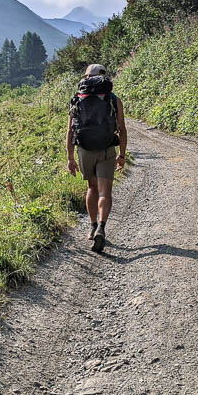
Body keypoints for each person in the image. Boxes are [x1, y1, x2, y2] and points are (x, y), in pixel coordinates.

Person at [67, 63, 127, 253]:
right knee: (104, 191)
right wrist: (122, 155)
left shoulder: (77, 98)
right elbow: (122, 129)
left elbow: (70, 131)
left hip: (84, 149)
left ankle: (92, 226)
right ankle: (102, 226)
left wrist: (70, 158)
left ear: (86, 77)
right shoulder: (113, 99)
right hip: (107, 147)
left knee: (91, 187)